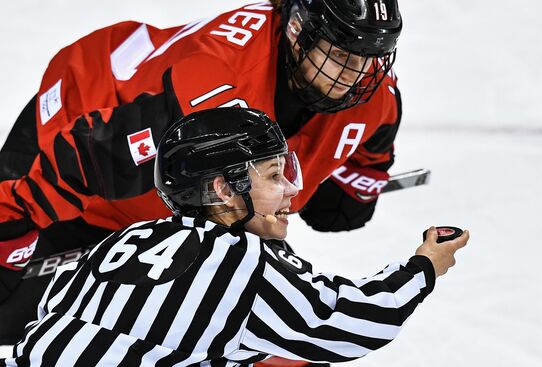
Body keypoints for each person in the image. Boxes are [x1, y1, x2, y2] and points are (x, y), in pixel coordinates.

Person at [0, 0, 403, 348]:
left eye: (371, 56)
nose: (356, 73)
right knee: (20, 325)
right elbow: (93, 158)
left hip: (174, 199)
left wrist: (342, 195)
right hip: (83, 122)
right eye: (342, 54)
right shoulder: (217, 81)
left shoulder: (377, 98)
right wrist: (10, 223)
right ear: (298, 31)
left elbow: (347, 195)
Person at [0, 108, 469, 367]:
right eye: (272, 175)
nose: (291, 189)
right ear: (223, 189)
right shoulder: (240, 263)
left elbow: (52, 314)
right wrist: (425, 263)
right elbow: (357, 322)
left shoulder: (125, 238)